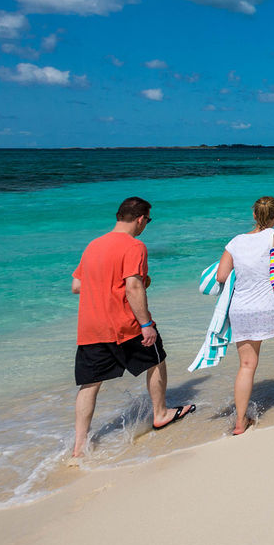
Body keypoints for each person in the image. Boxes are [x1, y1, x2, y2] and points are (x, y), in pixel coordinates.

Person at [71, 196, 194, 458]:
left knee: (90, 384)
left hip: (91, 327)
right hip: (124, 325)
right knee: (157, 360)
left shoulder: (93, 245)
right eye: (147, 220)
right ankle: (160, 414)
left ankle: (79, 446)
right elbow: (133, 286)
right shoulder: (134, 245)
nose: (146, 225)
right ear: (140, 219)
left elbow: (77, 286)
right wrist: (146, 324)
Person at [215, 196, 274, 435]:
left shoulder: (236, 242)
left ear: (254, 215)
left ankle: (240, 422)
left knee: (247, 365)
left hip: (242, 310)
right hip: (272, 308)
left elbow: (221, 276)